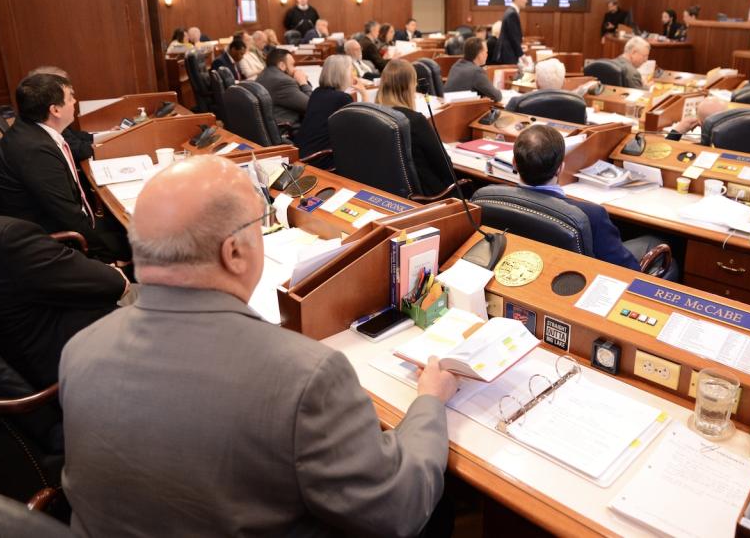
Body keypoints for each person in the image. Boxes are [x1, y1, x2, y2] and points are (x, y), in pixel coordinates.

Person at [59, 155, 456, 537]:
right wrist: (429, 404)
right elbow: (398, 509)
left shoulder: (80, 348)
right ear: (233, 251)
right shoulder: (306, 376)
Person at [0, 215, 128, 389]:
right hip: (68, 360)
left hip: (14, 354)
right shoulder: (5, 237)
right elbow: (114, 284)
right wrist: (114, 274)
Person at [0, 73, 128, 263]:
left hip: (48, 222)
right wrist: (103, 250)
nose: (75, 102)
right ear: (55, 110)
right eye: (70, 98)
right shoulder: (36, 150)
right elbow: (68, 217)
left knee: (129, 223)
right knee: (141, 239)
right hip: (41, 241)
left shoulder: (31, 129)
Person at [512, 124, 640, 270]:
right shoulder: (592, 215)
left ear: (514, 163)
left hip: (523, 272)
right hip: (577, 284)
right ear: (561, 168)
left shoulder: (488, 196)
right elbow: (629, 270)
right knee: (653, 242)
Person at [377, 59, 453, 197]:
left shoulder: (376, 116)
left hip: (389, 193)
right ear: (409, 86)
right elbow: (446, 167)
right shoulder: (415, 120)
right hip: (429, 197)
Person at [297, 54, 364, 168]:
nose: (352, 74)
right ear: (342, 74)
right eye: (350, 70)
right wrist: (364, 93)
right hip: (322, 158)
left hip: (302, 153)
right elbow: (361, 126)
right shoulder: (341, 98)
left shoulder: (317, 92)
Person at [256, 48, 314, 128]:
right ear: (282, 65)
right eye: (292, 65)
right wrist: (303, 82)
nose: (294, 69)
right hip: (287, 131)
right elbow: (311, 106)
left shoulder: (262, 75)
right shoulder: (284, 82)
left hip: (268, 128)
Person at [443, 37, 501, 102]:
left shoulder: (456, 65)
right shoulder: (476, 72)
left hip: (449, 108)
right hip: (463, 110)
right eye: (486, 52)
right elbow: (497, 96)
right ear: (480, 54)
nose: (487, 55)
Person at [497, 0, 527, 66]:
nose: (526, 1)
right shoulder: (512, 14)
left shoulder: (511, 11)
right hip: (508, 54)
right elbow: (513, 37)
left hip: (508, 52)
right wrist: (522, 55)